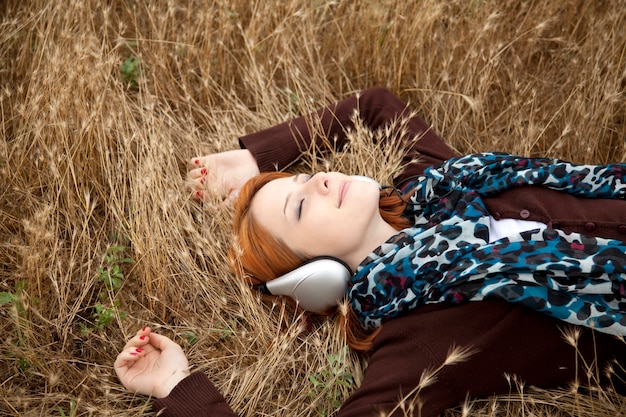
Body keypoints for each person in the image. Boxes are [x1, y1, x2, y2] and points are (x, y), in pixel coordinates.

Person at [115, 88, 626, 416]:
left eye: (303, 177)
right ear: (310, 275)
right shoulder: (420, 341)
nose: (317, 178)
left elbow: (377, 106)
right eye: (298, 207)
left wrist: (257, 157)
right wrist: (175, 386)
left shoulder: (430, 185)